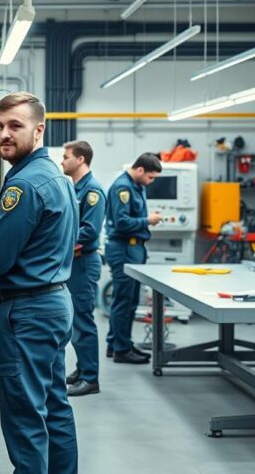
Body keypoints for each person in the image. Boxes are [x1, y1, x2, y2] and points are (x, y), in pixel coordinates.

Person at [0, 92, 79, 474]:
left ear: (38, 130)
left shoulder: (22, 184)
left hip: (28, 313)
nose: (4, 134)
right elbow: (31, 229)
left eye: (15, 126)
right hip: (54, 304)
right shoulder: (53, 175)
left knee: (24, 416)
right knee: (55, 407)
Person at [104, 152, 163, 365]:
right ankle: (122, 349)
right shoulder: (124, 187)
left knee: (126, 300)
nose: (151, 181)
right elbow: (121, 222)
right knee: (125, 301)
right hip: (125, 249)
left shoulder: (135, 185)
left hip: (133, 249)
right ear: (140, 170)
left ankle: (116, 343)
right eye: (150, 177)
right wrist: (147, 220)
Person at [60, 140, 106, 397]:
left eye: (66, 157)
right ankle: (82, 368)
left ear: (80, 160)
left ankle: (90, 378)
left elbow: (89, 232)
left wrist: (60, 242)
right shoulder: (75, 187)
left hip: (84, 264)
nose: (62, 161)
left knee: (83, 321)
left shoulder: (92, 191)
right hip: (75, 263)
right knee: (76, 321)